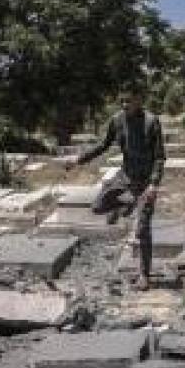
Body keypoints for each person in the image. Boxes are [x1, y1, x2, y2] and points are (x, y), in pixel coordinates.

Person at [68, 88, 165, 291]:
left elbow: (159, 157)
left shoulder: (151, 121)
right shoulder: (117, 120)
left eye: (129, 101)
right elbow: (103, 145)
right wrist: (79, 160)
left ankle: (144, 275)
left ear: (139, 100)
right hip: (125, 176)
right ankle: (126, 205)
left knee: (143, 228)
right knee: (98, 207)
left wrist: (154, 184)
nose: (124, 105)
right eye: (122, 101)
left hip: (146, 182)